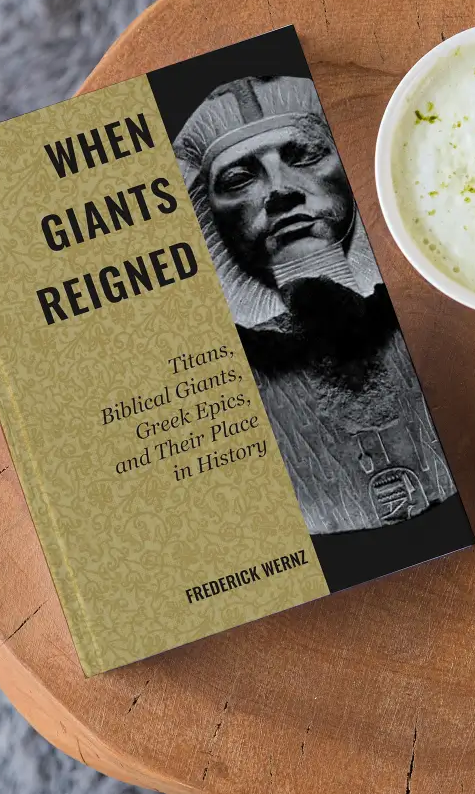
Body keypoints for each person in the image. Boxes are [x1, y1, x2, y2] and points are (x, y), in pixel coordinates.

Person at [174, 76, 456, 534]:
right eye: (240, 178)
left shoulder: (441, 299)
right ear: (209, 218)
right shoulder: (212, 398)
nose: (281, 190)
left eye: (304, 155)